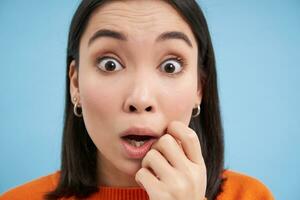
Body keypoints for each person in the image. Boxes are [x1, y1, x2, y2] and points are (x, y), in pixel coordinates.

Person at [0, 0, 274, 200]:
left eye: (170, 66)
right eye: (109, 64)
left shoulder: (249, 196)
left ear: (199, 88)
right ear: (75, 84)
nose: (140, 99)